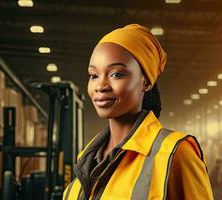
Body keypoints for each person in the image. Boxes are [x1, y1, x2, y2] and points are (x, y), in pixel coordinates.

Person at [63, 24, 213, 200]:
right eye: (93, 75)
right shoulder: (87, 160)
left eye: (117, 74)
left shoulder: (174, 154)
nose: (100, 86)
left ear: (146, 82)